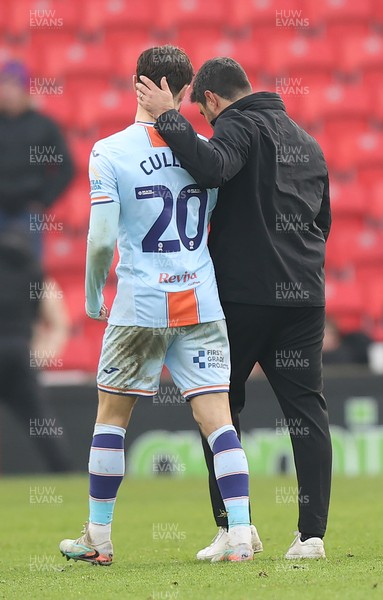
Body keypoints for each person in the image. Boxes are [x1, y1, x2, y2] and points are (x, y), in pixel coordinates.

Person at [59, 47, 260, 566]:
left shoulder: (110, 151)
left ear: (137, 84)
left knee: (112, 419)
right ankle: (240, 534)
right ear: (185, 91)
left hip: (140, 304)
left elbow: (102, 239)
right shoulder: (206, 152)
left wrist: (89, 291)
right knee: (219, 421)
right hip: (200, 301)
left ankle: (98, 538)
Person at [137, 56, 332, 560]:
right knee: (307, 415)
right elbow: (323, 221)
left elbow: (215, 167)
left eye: (204, 117)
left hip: (245, 295)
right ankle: (311, 537)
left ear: (212, 101)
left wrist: (167, 117)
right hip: (304, 298)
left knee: (218, 408)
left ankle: (232, 527)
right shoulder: (306, 140)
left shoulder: (239, 124)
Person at [0, 228, 71, 472]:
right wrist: (40, 356)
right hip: (20, 352)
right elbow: (60, 322)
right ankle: (65, 473)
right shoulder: (34, 272)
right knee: (41, 421)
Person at [0, 60, 74, 257]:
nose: (7, 90)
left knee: (29, 269)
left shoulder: (44, 126)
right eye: (3, 83)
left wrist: (44, 200)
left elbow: (66, 168)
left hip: (28, 211)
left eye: (14, 84)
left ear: (26, 89)